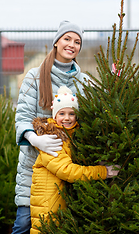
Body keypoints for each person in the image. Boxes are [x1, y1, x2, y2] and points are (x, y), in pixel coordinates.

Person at [12, 20, 91, 234]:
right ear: (56, 42)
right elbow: (23, 118)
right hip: (34, 165)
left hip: (68, 165)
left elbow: (93, 118)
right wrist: (35, 139)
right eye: (67, 39)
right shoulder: (35, 77)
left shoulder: (83, 81)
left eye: (77, 41)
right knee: (24, 223)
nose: (71, 45)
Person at [30, 86, 119, 233]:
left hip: (60, 202)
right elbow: (68, 171)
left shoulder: (73, 136)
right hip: (48, 206)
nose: (67, 118)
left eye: (72, 113)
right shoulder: (52, 139)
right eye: (62, 113)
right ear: (55, 115)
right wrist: (103, 171)